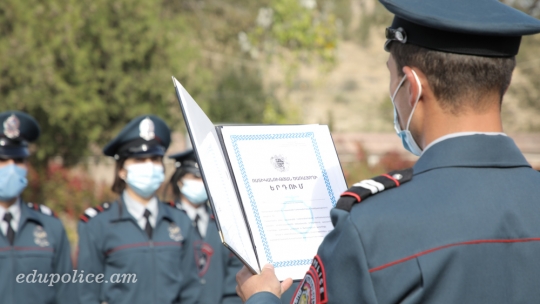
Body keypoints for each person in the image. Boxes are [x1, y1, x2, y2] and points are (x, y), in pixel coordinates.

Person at [236, 0, 540, 303]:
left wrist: (261, 298)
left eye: (392, 77)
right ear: (504, 82)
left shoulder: (372, 229)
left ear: (411, 87)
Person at [77, 115, 200, 304]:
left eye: (155, 159)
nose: (149, 166)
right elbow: (87, 294)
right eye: (139, 160)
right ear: (122, 171)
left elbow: (191, 291)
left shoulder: (180, 221)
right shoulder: (97, 225)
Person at [0, 110, 77, 303]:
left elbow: (67, 295)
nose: (11, 167)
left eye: (18, 160)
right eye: (2, 160)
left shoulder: (50, 227)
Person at [167, 149, 244, 304]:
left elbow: (234, 277)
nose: (201, 182)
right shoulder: (164, 220)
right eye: (195, 177)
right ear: (180, 180)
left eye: (205, 178)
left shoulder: (224, 223)